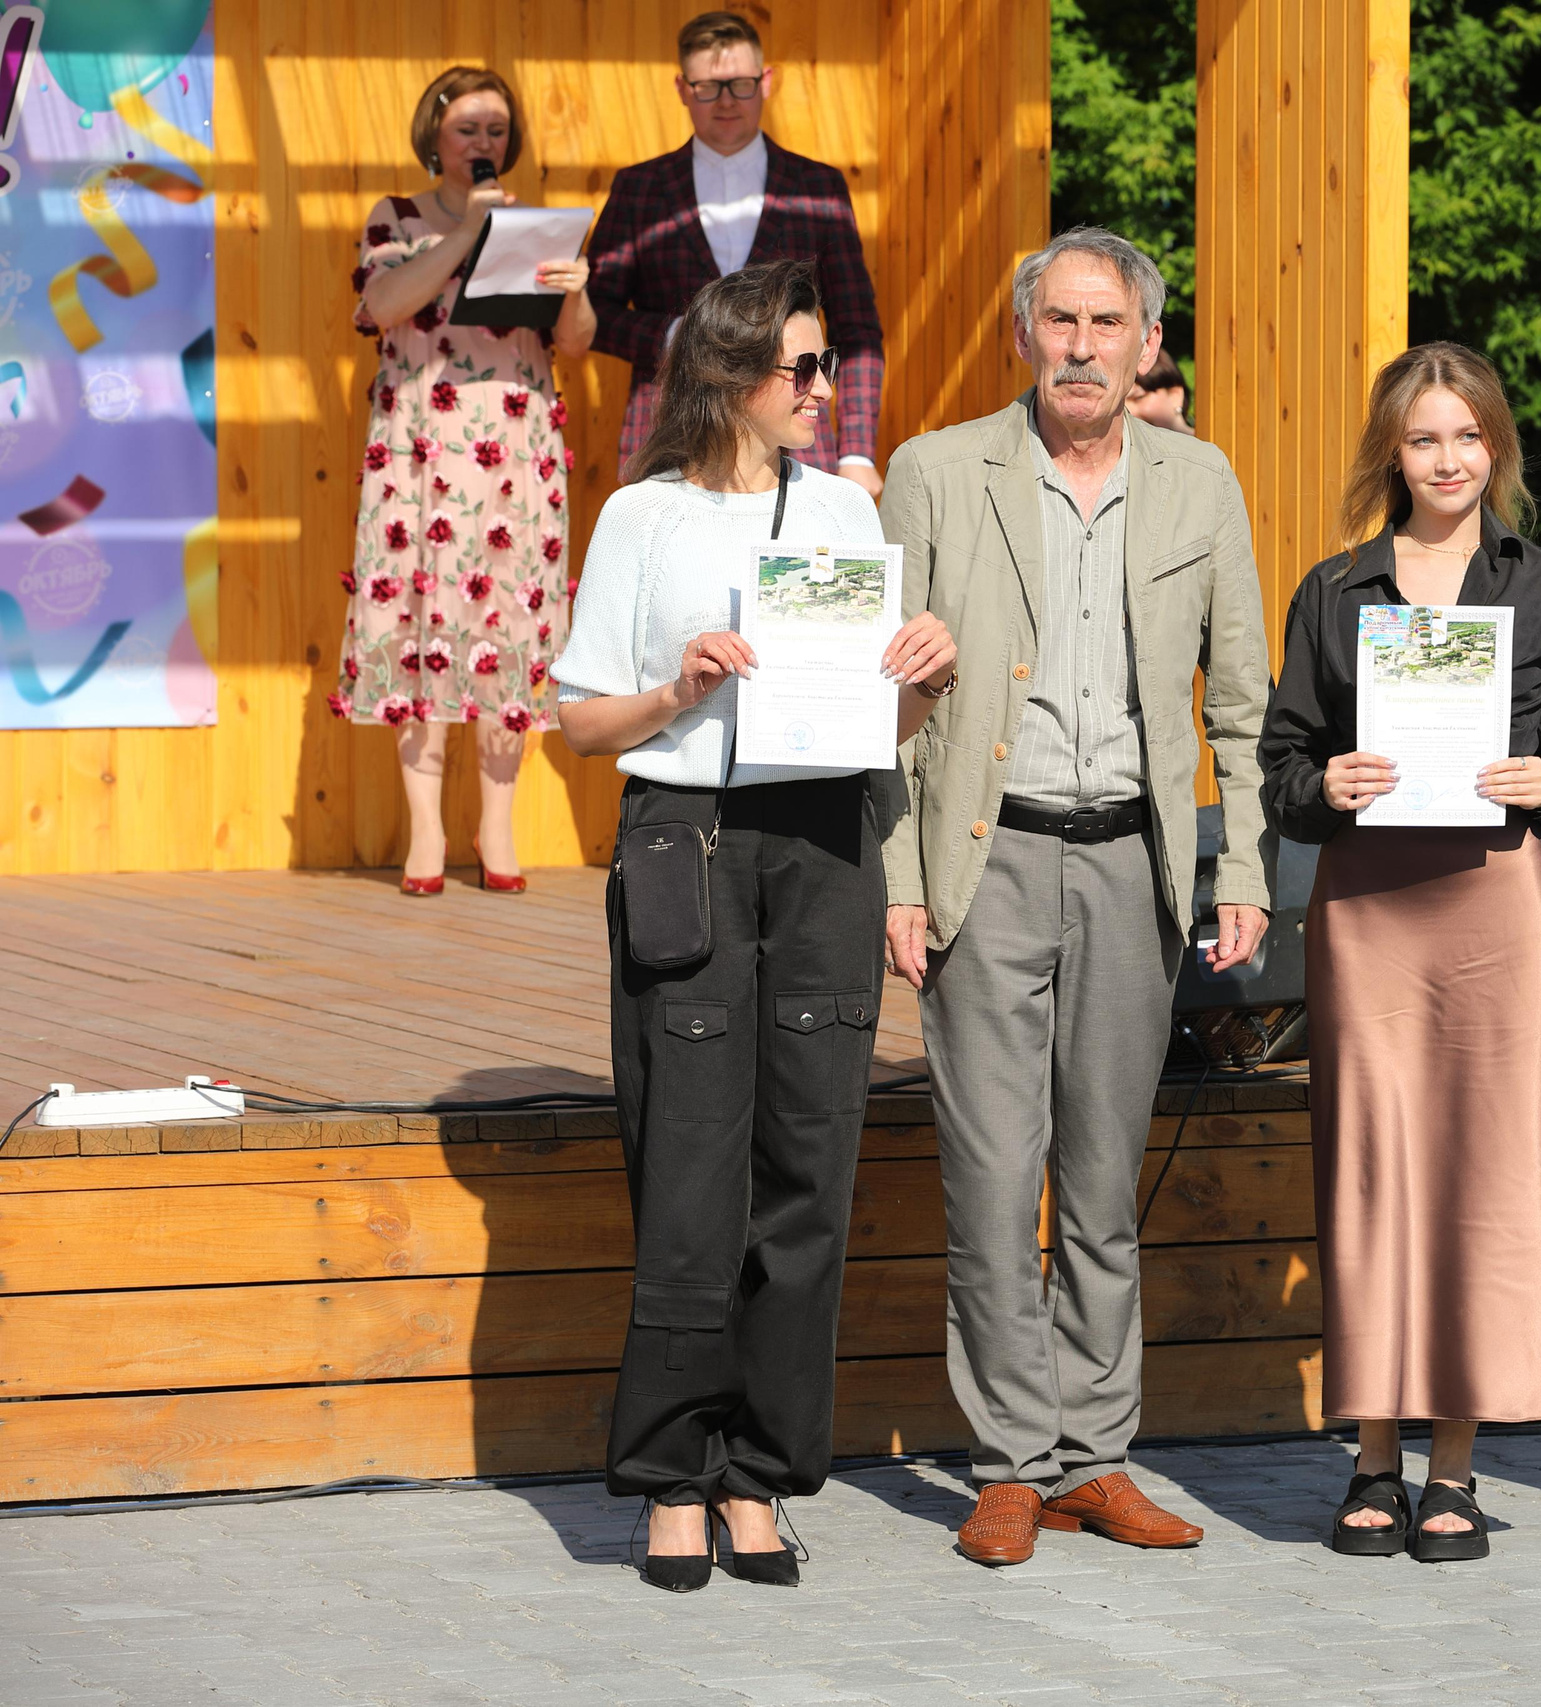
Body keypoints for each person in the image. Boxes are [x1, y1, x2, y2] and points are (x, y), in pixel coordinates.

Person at [552, 261, 956, 1593]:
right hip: (689, 838)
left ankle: (763, 1474)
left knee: (807, 1168)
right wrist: (682, 682)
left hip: (829, 843)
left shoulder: (843, 505)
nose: (823, 387)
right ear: (726, 369)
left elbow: (873, 725)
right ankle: (671, 1472)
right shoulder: (644, 518)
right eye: (801, 365)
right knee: (688, 1166)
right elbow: (582, 722)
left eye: (827, 363)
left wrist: (920, 679)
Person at [878, 227, 1273, 1568]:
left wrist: (1244, 868)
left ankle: (1096, 1457)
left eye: (1109, 325)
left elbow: (1240, 705)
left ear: (1146, 343)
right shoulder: (935, 473)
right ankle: (1006, 1462)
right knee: (993, 1180)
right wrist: (901, 879)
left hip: (1135, 865)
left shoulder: (1201, 481)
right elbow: (890, 706)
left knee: (1102, 1182)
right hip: (986, 860)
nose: (1084, 346)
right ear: (1025, 331)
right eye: (1062, 321)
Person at [1259, 342, 1541, 1562]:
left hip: (1495, 904)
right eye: (1424, 440)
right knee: (1372, 1171)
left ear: (1494, 447)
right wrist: (1328, 781)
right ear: (1391, 454)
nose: (1448, 459)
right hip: (1369, 911)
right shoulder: (1333, 589)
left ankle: (1452, 1468)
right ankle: (1369, 1457)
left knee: (1481, 1176)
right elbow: (1281, 765)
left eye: (1467, 437)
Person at [339, 65, 594, 895]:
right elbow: (382, 305)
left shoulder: (537, 225)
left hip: (514, 451)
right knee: (420, 621)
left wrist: (578, 290)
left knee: (507, 625)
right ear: (435, 136)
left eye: (494, 131)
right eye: (466, 130)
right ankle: (423, 836)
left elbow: (576, 343)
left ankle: (496, 829)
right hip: (419, 450)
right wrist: (469, 237)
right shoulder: (398, 218)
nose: (482, 145)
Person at [585, 10, 886, 496]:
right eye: (708, 87)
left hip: (800, 436)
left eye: (740, 84)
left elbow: (857, 330)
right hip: (672, 427)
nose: (725, 101)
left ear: (766, 82)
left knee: (797, 571)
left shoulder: (817, 188)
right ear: (683, 89)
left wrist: (857, 451)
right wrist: (676, 334)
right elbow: (594, 312)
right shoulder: (639, 188)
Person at [1128, 348, 1196, 436]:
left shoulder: (1213, 445)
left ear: (1175, 395)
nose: (1129, 411)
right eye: (1120, 404)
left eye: (1138, 398)